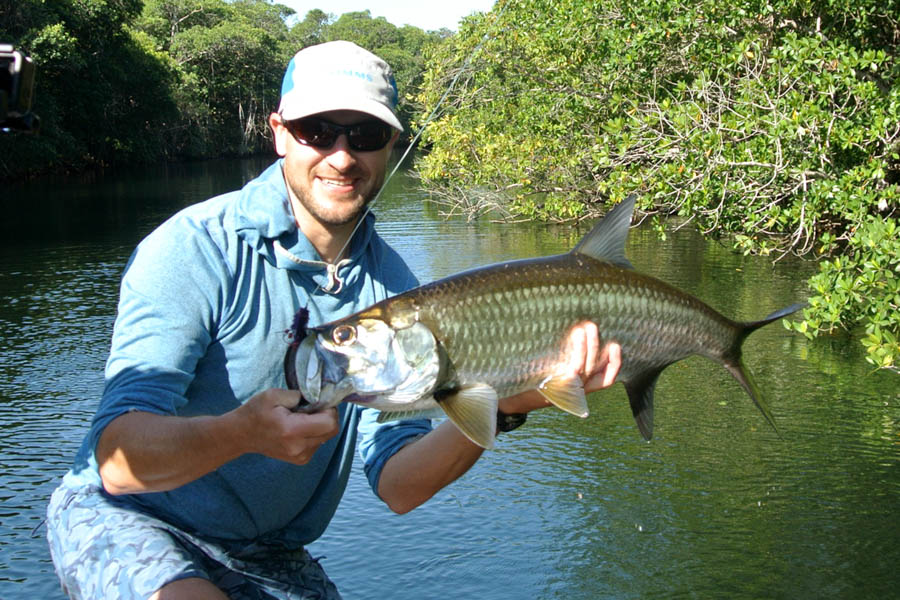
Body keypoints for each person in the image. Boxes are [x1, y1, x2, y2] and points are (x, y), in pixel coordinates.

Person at [45, 41, 622, 600]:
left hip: (268, 550)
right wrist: (241, 433)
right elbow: (117, 463)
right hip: (127, 515)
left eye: (365, 134)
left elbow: (400, 485)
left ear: (391, 144)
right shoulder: (192, 249)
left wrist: (509, 403)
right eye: (317, 131)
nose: (342, 156)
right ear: (278, 134)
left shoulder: (397, 289)